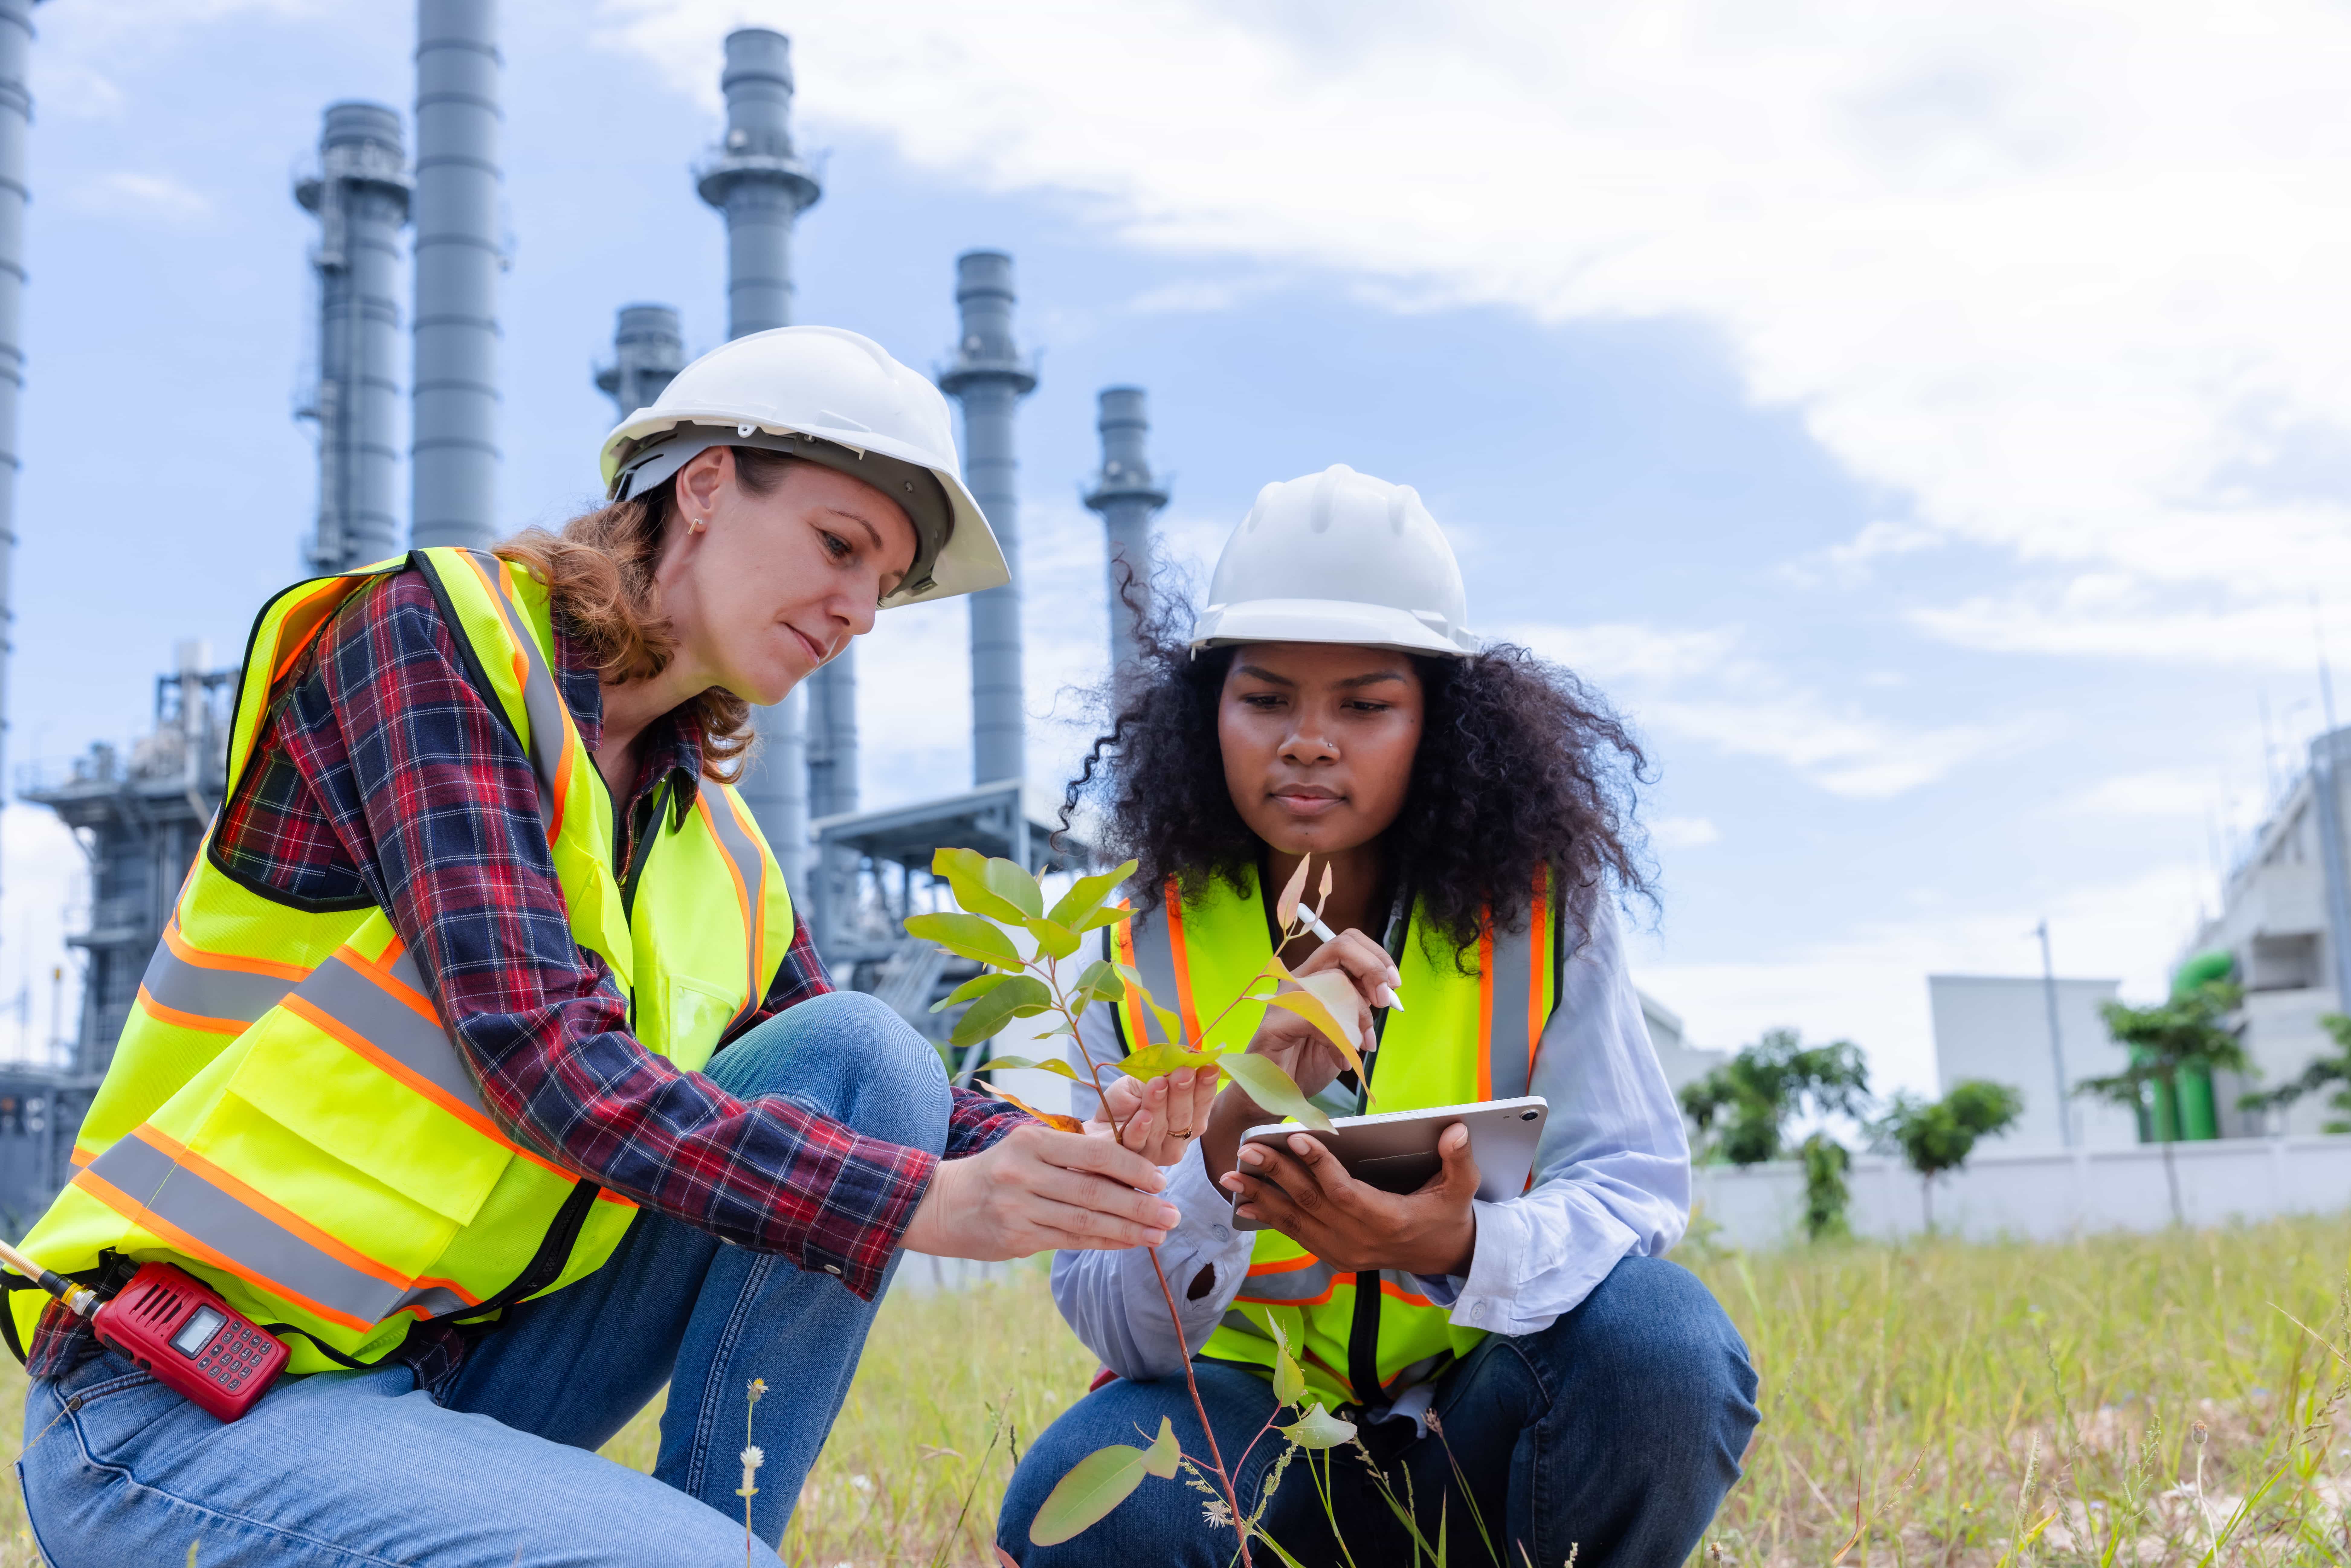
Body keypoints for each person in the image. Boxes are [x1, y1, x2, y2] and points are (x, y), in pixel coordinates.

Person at [9, 326, 1185, 1568]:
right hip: (186, 1389)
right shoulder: (434, 640)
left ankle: (721, 1533)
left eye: (880, 586)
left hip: (440, 1379)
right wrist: (920, 1203)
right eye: (840, 546)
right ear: (704, 483)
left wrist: (1066, 1156)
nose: (856, 613)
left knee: (864, 1052)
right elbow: (544, 1054)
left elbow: (903, 1110)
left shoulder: (713, 845)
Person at [998, 465, 1760, 1566]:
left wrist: (1457, 1242)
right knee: (1086, 1504)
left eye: (1365, 705)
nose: (1309, 741)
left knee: (1666, 1346)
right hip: (1239, 1433)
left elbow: (1633, 1186)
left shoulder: (1539, 916)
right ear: (1206, 711)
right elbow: (1118, 1324)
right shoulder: (1128, 943)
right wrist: (1222, 1144)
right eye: (1265, 699)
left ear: (1437, 725)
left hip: (1475, 1426)